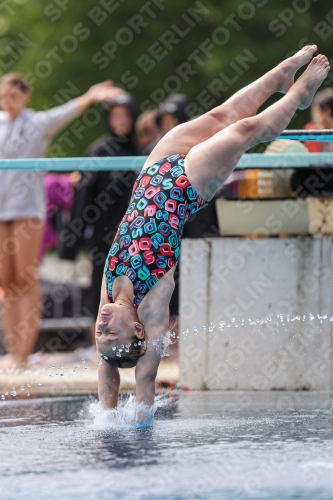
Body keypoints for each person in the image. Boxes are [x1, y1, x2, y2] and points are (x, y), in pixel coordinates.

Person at [96, 46, 329, 420]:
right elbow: (144, 380)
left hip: (153, 170)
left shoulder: (107, 298)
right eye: (110, 334)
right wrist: (133, 426)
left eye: (100, 334)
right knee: (244, 130)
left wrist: (104, 414)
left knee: (223, 114)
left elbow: (106, 370)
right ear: (139, 332)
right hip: (188, 186)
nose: (102, 326)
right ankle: (300, 95)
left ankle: (282, 73)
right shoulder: (153, 307)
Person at [0, 73, 123, 370]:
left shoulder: (36, 123)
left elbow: (66, 112)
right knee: (5, 283)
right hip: (1, 209)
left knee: (26, 279)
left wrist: (91, 96)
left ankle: (23, 354)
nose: (8, 102)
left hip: (27, 209)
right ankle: (12, 351)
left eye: (13, 97)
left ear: (25, 96)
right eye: (3, 97)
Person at [60, 93, 140, 332]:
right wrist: (71, 244)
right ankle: (101, 338)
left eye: (126, 115)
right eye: (116, 115)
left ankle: (134, 336)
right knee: (102, 284)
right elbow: (82, 199)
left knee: (137, 285)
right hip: (105, 233)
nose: (121, 120)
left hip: (138, 233)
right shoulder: (98, 151)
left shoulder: (142, 150)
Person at [304, 87, 333, 152]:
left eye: (317, 112)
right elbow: (312, 157)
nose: (316, 117)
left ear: (326, 112)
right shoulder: (312, 130)